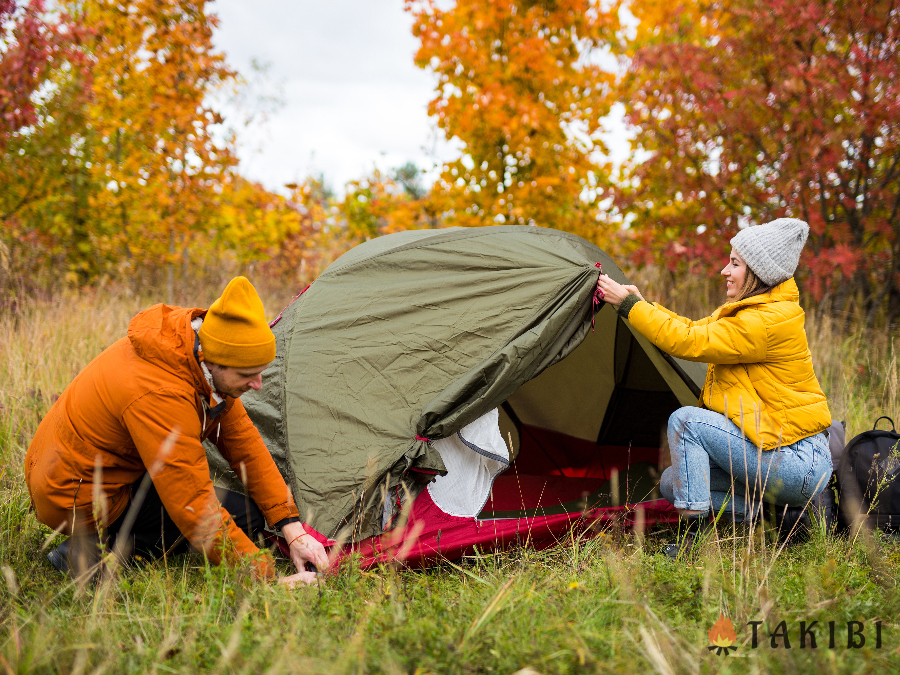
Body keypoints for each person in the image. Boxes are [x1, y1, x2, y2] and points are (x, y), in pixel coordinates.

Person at [25, 276, 328, 584]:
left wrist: (292, 529)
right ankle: (90, 551)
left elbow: (243, 443)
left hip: (102, 469)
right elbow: (193, 506)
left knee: (246, 515)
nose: (257, 385)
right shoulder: (162, 393)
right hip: (73, 494)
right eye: (247, 375)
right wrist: (269, 581)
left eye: (261, 372)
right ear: (216, 363)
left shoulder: (195, 352)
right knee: (194, 506)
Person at [596, 218, 832, 557]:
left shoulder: (765, 322)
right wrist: (643, 304)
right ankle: (772, 516)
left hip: (797, 461)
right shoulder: (750, 311)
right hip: (777, 455)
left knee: (686, 422)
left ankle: (691, 541)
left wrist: (629, 307)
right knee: (673, 482)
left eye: (735, 263)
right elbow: (692, 328)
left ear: (759, 272)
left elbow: (690, 341)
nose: (725, 270)